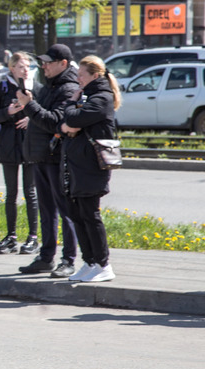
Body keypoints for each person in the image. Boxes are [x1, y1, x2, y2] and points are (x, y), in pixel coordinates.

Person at [14, 43, 79, 278]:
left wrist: (28, 105)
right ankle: (46, 257)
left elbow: (55, 122)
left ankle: (68, 259)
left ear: (63, 64)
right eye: (42, 62)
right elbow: (41, 117)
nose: (44, 66)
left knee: (64, 210)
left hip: (56, 158)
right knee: (46, 210)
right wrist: (30, 103)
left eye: (48, 62)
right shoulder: (50, 86)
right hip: (42, 156)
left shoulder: (68, 88)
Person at [59, 55, 121, 282]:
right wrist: (71, 120)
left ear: (95, 76)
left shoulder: (101, 98)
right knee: (78, 214)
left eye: (81, 75)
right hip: (79, 165)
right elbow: (67, 123)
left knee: (90, 214)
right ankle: (90, 261)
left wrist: (72, 108)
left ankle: (104, 264)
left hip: (92, 167)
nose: (77, 79)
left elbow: (73, 119)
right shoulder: (89, 97)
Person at [0, 52, 41, 255]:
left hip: (31, 145)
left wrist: (32, 119)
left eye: (27, 66)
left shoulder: (37, 87)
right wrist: (7, 113)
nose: (25, 70)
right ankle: (11, 236)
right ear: (12, 68)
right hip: (8, 145)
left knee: (31, 192)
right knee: (11, 193)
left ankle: (33, 237)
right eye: (21, 66)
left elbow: (47, 113)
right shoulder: (2, 88)